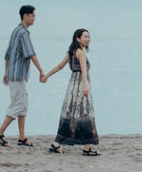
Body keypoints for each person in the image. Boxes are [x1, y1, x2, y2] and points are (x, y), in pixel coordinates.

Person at [0, 5, 47, 148]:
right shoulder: (22, 33)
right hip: (17, 75)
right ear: (25, 16)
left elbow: (7, 54)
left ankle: (22, 137)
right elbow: (31, 53)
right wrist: (41, 71)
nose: (34, 18)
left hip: (15, 74)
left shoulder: (16, 31)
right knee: (18, 104)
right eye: (32, 15)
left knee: (23, 105)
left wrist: (6, 72)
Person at [43, 28, 100, 156]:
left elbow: (59, 66)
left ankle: (57, 144)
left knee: (70, 115)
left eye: (88, 37)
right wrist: (86, 87)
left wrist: (47, 75)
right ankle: (86, 149)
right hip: (80, 85)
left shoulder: (71, 52)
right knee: (85, 115)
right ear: (78, 38)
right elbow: (84, 71)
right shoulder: (81, 53)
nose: (88, 39)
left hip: (72, 87)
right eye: (85, 37)